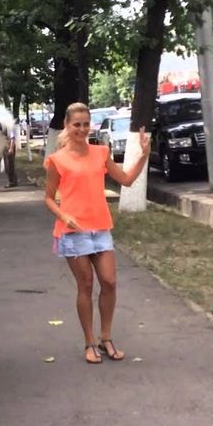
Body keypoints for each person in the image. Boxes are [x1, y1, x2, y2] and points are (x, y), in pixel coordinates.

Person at [43, 102, 149, 364]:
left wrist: (144, 154)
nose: (81, 129)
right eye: (76, 124)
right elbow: (47, 198)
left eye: (85, 124)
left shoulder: (101, 152)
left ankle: (106, 337)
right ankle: (89, 342)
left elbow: (125, 180)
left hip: (100, 228)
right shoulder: (57, 160)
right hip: (72, 232)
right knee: (86, 285)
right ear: (67, 126)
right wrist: (63, 214)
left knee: (109, 281)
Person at [3, 119, 18, 188]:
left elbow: (12, 138)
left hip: (9, 147)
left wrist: (11, 148)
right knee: (7, 165)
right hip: (6, 147)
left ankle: (12, 181)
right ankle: (13, 180)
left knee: (10, 165)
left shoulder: (10, 128)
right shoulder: (4, 128)